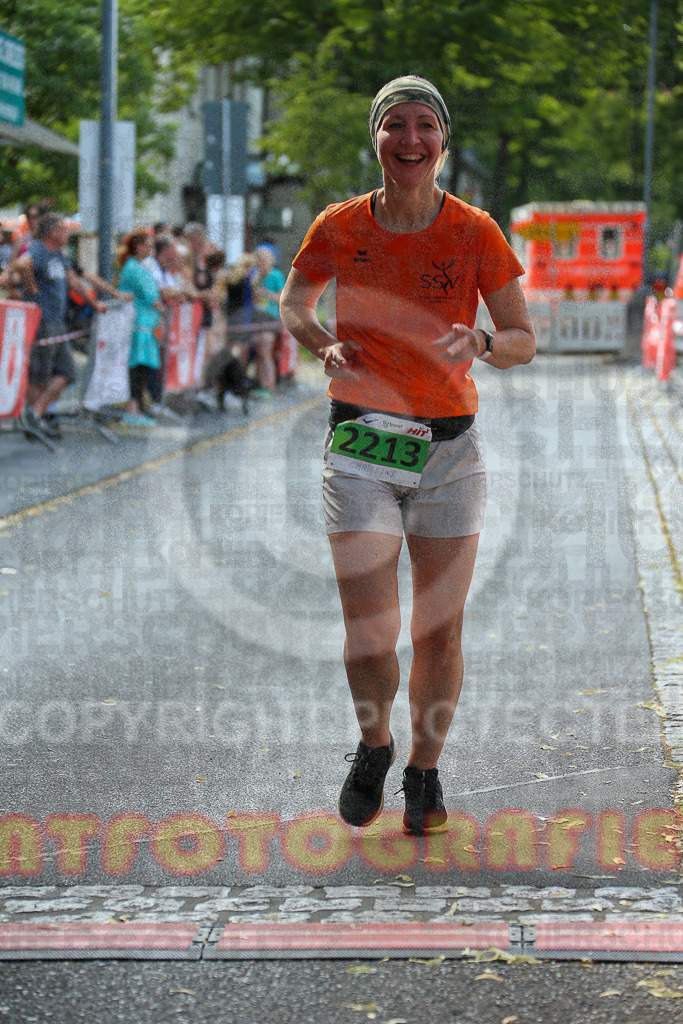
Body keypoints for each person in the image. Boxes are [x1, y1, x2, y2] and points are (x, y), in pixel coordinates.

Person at [280, 75, 535, 836]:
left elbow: (522, 339)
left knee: (437, 630)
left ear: (442, 141)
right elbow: (294, 302)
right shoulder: (338, 225)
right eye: (396, 124)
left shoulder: (474, 231)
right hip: (360, 439)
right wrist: (322, 343)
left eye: (425, 124)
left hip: (448, 450)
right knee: (369, 627)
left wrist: (481, 341)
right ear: (377, 139)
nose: (410, 138)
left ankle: (424, 768)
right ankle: (374, 746)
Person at [13, 212, 107, 439]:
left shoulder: (58, 256)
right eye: (63, 229)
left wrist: (93, 303)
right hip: (42, 322)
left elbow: (74, 281)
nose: (67, 234)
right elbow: (22, 263)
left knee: (67, 372)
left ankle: (36, 414)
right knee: (40, 374)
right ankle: (33, 421)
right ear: (52, 232)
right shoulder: (39, 250)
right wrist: (30, 285)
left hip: (56, 322)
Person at [118, 229, 162, 427]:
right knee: (138, 368)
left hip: (144, 325)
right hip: (139, 326)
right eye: (148, 244)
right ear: (138, 246)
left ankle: (136, 408)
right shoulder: (134, 268)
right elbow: (151, 296)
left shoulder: (136, 267)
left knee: (142, 368)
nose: (151, 248)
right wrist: (163, 311)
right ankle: (132, 409)